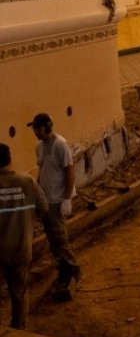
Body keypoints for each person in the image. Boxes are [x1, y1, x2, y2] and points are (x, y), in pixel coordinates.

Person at [27, 114, 80, 288]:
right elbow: (42, 170)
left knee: (59, 237)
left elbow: (70, 173)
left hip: (57, 200)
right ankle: (62, 269)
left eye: (37, 128)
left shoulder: (60, 145)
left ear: (46, 127)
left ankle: (72, 269)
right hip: (46, 200)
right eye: (34, 128)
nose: (35, 132)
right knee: (51, 237)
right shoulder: (39, 147)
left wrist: (66, 199)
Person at [0, 142, 48, 329]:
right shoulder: (27, 181)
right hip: (21, 249)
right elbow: (43, 208)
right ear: (10, 161)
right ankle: (19, 332)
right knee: (19, 293)